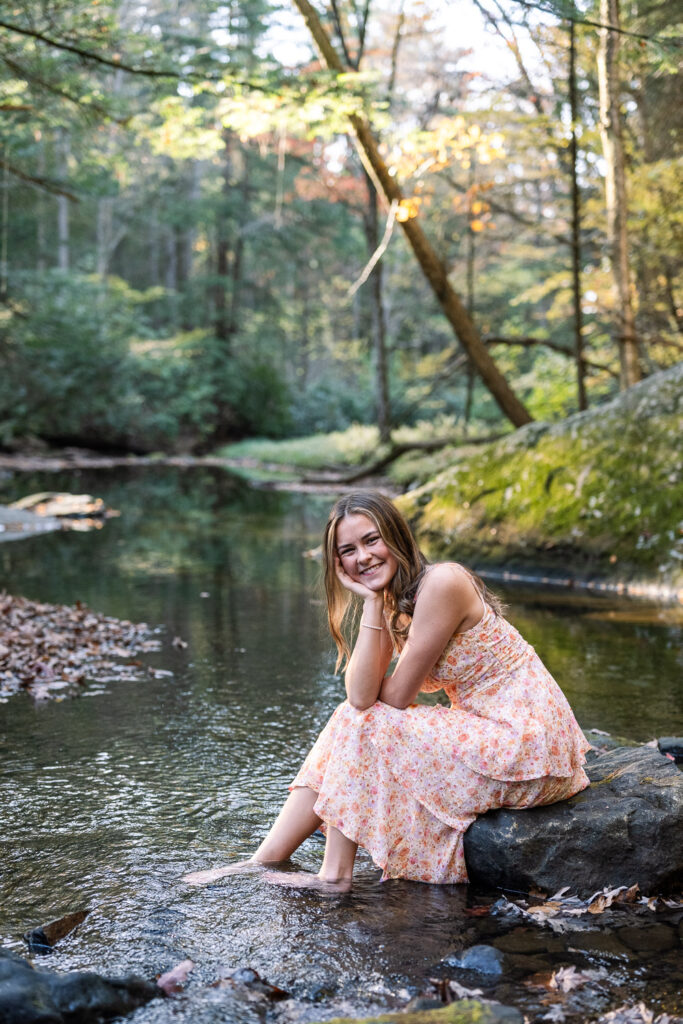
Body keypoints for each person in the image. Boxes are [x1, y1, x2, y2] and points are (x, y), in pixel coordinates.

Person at [184, 490, 590, 890]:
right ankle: (263, 861)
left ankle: (334, 875)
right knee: (353, 716)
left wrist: (375, 604)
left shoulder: (443, 582)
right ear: (338, 562)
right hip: (494, 733)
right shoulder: (395, 602)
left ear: (396, 536)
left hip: (529, 743)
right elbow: (360, 695)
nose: (362, 557)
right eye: (348, 550)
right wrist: (371, 603)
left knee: (361, 722)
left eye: (371, 540)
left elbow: (392, 700)